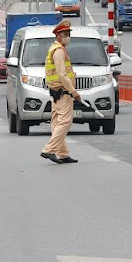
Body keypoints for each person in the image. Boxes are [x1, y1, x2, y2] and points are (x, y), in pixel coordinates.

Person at [41, 20, 81, 164]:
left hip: (56, 91)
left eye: (69, 33)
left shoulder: (55, 48)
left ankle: (62, 153)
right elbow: (62, 74)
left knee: (57, 122)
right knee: (65, 121)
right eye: (65, 33)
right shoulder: (58, 51)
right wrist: (73, 91)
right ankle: (49, 149)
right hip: (63, 91)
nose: (67, 36)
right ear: (58, 35)